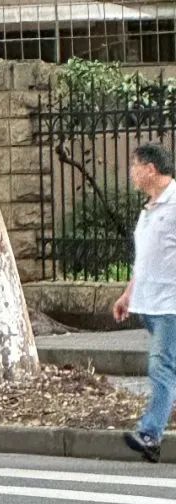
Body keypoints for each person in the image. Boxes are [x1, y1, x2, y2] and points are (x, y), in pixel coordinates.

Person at [114, 142, 176, 463]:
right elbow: (145, 261)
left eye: (134, 166)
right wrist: (128, 294)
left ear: (150, 169)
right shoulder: (150, 208)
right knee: (169, 369)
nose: (131, 173)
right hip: (148, 304)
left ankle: (150, 434)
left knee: (162, 369)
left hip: (171, 307)